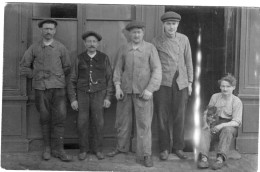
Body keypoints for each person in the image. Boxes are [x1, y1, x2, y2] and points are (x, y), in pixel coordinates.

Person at [107, 21, 162, 167]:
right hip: (125, 92)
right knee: (122, 122)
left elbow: (157, 70)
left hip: (143, 93)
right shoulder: (124, 49)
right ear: (129, 34)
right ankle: (121, 148)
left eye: (138, 32)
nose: (136, 35)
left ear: (143, 33)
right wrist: (118, 87)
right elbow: (118, 70)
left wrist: (150, 89)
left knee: (144, 124)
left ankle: (145, 154)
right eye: (133, 32)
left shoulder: (150, 48)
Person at [20, 19, 72, 161]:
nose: (48, 31)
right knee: (44, 118)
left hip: (59, 89)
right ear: (41, 31)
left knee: (60, 118)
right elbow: (24, 67)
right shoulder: (34, 48)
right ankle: (47, 149)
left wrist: (56, 77)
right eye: (45, 29)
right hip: (41, 89)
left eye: (51, 29)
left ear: (55, 31)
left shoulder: (61, 48)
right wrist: (36, 75)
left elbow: (67, 67)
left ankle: (59, 150)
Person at [152, 11, 193, 160]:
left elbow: (188, 61)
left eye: (174, 24)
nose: (171, 27)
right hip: (163, 84)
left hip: (181, 83)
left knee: (179, 117)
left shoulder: (184, 39)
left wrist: (190, 82)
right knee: (162, 117)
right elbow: (154, 64)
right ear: (164, 25)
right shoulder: (156, 41)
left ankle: (178, 148)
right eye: (168, 24)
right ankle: (164, 149)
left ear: (178, 25)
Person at [67, 31, 113, 160]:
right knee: (82, 122)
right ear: (84, 43)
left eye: (94, 42)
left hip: (99, 94)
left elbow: (110, 78)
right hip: (82, 95)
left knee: (99, 122)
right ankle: (83, 149)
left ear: (98, 44)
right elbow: (72, 80)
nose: (91, 44)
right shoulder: (79, 58)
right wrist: (73, 99)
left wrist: (108, 97)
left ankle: (98, 149)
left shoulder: (104, 58)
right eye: (89, 41)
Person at [197, 74, 243, 170]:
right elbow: (207, 112)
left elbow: (236, 122)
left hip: (229, 125)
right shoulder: (215, 97)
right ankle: (204, 158)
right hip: (215, 122)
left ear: (233, 87)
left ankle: (220, 159)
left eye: (228, 86)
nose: (225, 89)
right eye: (223, 86)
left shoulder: (236, 101)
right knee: (205, 130)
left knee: (227, 130)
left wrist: (221, 125)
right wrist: (206, 124)